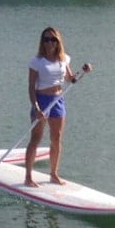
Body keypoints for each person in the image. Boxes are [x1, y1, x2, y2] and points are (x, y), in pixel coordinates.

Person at [24, 27, 92, 186]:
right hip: (41, 100)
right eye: (46, 39)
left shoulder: (64, 59)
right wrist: (36, 107)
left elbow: (70, 79)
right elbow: (31, 86)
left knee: (56, 138)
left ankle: (53, 174)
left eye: (53, 39)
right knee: (36, 138)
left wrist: (83, 71)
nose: (49, 43)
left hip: (58, 100)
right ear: (42, 42)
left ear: (58, 41)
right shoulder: (36, 61)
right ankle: (28, 177)